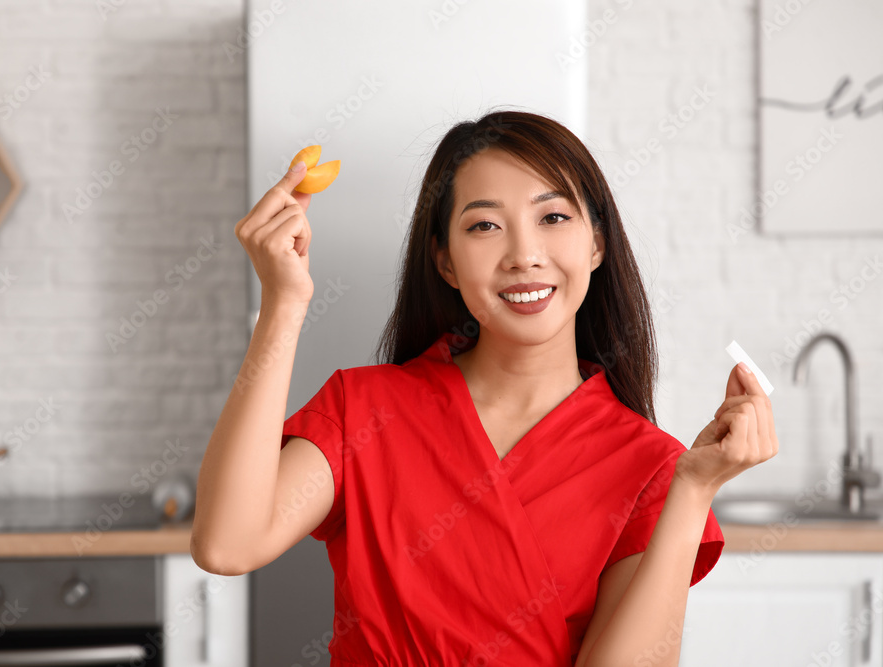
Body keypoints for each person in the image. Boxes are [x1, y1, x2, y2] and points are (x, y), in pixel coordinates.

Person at [190, 109, 779, 666]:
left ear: (596, 244)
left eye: (553, 217)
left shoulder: (653, 467)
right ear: (445, 261)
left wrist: (695, 490)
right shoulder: (364, 408)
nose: (524, 255)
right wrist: (283, 305)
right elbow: (226, 546)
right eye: (485, 226)